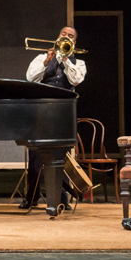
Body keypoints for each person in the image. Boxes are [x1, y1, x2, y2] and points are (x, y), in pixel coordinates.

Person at [21, 26, 86, 211]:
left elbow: (75, 81)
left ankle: (60, 199)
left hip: (63, 113)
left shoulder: (78, 62)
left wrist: (65, 60)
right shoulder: (41, 57)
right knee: (35, 156)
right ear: (57, 36)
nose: (66, 37)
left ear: (74, 42)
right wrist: (46, 62)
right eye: (63, 34)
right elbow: (30, 79)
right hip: (41, 111)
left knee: (62, 156)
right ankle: (31, 197)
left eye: (70, 36)